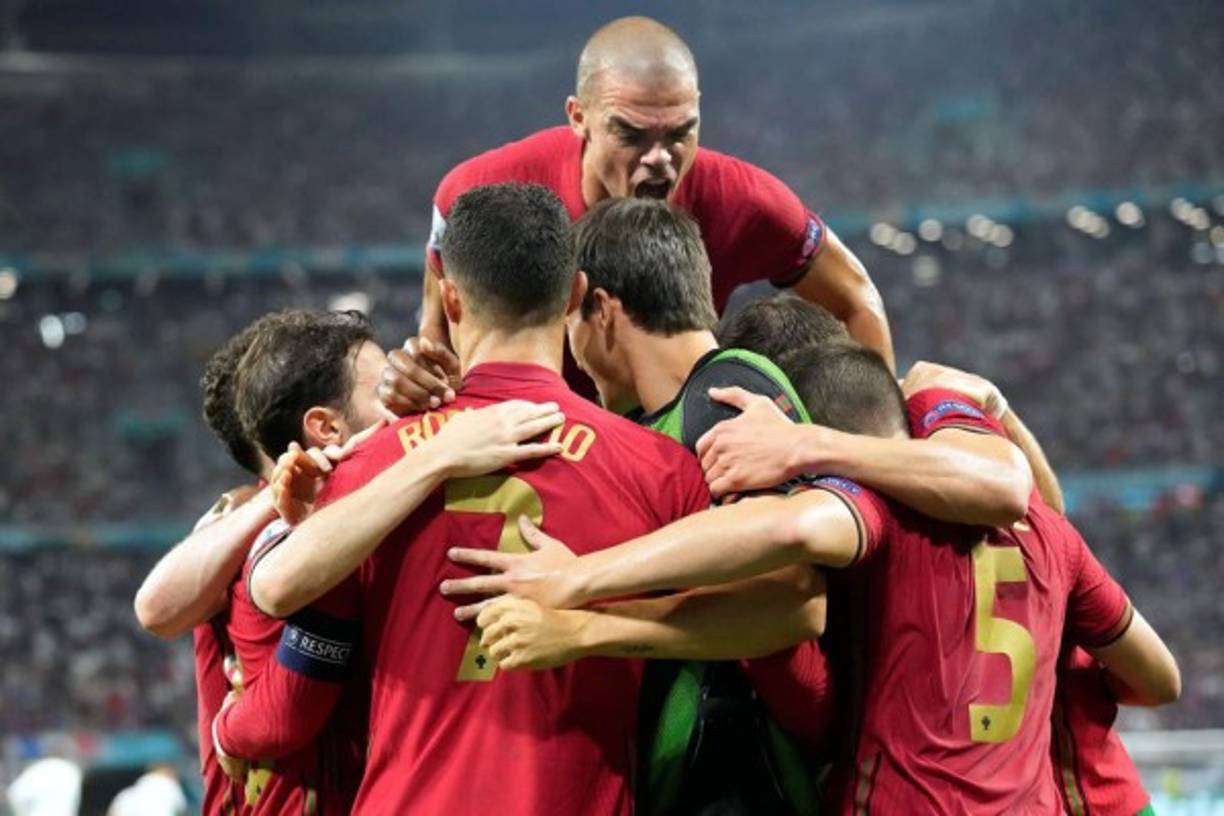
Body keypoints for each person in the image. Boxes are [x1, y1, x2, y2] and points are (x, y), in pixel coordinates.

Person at [448, 343, 1180, 813]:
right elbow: (1159, 681)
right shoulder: (1056, 538)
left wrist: (580, 583)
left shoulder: (873, 506)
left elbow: (790, 529)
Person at [239, 182, 720, 816]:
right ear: (575, 295)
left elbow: (289, 674)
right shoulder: (661, 469)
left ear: (451, 298)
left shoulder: (367, 473)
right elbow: (775, 649)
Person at [386, 15, 891, 415]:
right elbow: (437, 336)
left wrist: (876, 445)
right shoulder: (481, 195)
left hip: (675, 445)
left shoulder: (744, 201)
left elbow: (857, 300)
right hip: (534, 442)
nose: (660, 159)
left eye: (679, 133)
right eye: (631, 135)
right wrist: (417, 377)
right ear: (578, 117)